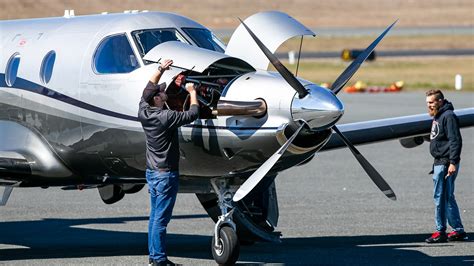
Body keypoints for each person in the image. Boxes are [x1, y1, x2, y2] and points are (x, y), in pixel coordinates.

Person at [138, 59, 199, 265]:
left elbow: (148, 88)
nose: (165, 93)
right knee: (160, 221)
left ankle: (155, 257)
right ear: (157, 99)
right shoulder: (167, 117)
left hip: (153, 173)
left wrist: (161, 69)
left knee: (155, 218)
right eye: (162, 92)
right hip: (165, 175)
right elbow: (193, 113)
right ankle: (158, 260)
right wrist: (192, 92)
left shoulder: (144, 111)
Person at [424, 89, 467, 243]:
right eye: (427, 103)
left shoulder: (448, 116)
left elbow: (455, 140)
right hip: (440, 162)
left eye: (431, 102)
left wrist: (453, 163)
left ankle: (440, 231)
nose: (429, 105)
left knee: (439, 197)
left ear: (440, 101)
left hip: (445, 163)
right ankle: (458, 230)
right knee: (447, 197)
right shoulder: (439, 115)